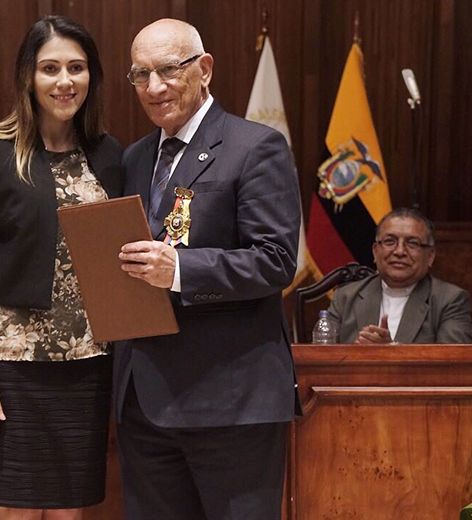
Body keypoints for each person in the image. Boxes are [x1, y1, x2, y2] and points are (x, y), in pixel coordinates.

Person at [114, 19, 301, 520]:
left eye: (169, 70)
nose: (154, 88)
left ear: (204, 69)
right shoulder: (133, 159)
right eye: (140, 75)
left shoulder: (254, 146)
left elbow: (277, 260)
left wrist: (180, 268)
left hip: (230, 399)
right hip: (145, 399)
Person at [0, 16, 122, 520]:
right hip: (11, 365)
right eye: (50, 68)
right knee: (19, 510)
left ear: (92, 76)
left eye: (77, 67)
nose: (65, 81)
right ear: (28, 76)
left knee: (71, 510)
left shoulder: (108, 154)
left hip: (88, 364)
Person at [328, 208, 472, 344]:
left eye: (412, 243)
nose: (399, 251)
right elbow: (323, 356)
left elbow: (453, 363)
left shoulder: (450, 300)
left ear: (430, 256)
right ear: (375, 252)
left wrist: (392, 351)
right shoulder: (345, 297)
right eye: (390, 241)